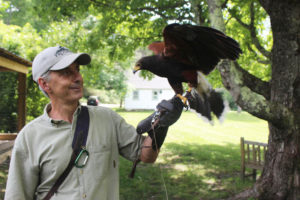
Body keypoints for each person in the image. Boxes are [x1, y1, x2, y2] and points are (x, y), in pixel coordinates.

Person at [5, 46, 183, 200]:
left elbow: (146, 156)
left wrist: (160, 126)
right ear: (45, 84)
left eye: (77, 70)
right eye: (67, 72)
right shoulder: (29, 137)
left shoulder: (108, 119)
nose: (78, 78)